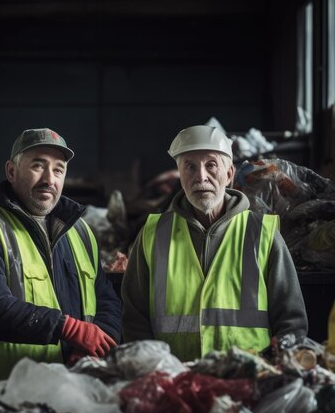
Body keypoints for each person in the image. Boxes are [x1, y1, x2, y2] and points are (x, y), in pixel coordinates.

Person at [0, 127, 122, 381]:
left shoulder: (80, 231)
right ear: (11, 171)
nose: (49, 179)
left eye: (58, 169)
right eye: (38, 166)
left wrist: (95, 346)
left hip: (71, 385)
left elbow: (106, 298)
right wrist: (69, 328)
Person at [121, 125, 308, 361]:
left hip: (250, 381)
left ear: (229, 174)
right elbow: (134, 318)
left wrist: (271, 374)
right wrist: (154, 371)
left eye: (211, 165)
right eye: (190, 167)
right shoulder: (153, 233)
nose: (201, 176)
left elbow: (291, 321)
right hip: (175, 383)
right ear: (180, 176)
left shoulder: (262, 233)